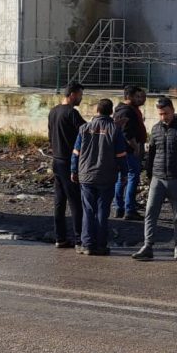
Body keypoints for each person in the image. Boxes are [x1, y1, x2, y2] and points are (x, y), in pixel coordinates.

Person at [133, 97, 177, 262]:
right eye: (160, 114)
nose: (163, 116)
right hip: (158, 178)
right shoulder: (156, 129)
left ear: (173, 109)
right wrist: (149, 174)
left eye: (166, 113)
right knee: (150, 213)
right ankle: (148, 245)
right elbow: (152, 154)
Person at [70, 98, 128, 256]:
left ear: (97, 110)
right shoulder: (115, 130)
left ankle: (87, 244)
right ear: (111, 112)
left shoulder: (84, 128)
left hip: (86, 175)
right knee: (103, 211)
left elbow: (76, 153)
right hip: (106, 176)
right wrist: (124, 173)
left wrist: (73, 171)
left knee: (88, 210)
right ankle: (101, 245)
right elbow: (121, 155)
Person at [47, 81, 85, 248]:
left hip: (56, 159)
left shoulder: (53, 111)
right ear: (72, 95)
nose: (81, 98)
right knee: (75, 201)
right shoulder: (72, 113)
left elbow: (50, 135)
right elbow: (87, 131)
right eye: (80, 95)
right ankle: (79, 239)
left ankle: (60, 237)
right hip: (69, 161)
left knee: (59, 201)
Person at [113, 85, 147, 220]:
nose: (140, 99)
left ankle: (120, 207)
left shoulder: (127, 110)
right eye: (137, 96)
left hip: (125, 150)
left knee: (122, 178)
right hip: (128, 151)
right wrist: (135, 146)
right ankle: (128, 209)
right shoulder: (126, 111)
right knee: (132, 177)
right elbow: (126, 133)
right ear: (129, 97)